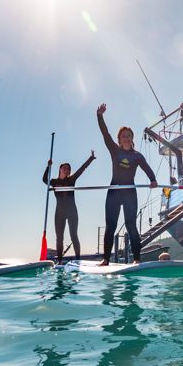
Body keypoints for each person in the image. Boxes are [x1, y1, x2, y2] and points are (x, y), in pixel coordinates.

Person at [96, 103, 157, 266]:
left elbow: (148, 169)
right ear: (119, 139)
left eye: (129, 135)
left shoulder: (137, 156)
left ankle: (137, 258)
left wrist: (153, 180)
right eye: (123, 136)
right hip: (114, 191)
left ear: (132, 138)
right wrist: (100, 116)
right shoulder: (115, 150)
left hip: (130, 192)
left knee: (131, 226)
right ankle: (106, 259)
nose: (126, 138)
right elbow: (105, 134)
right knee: (111, 226)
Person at [43, 150, 96, 263]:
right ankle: (60, 261)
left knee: (73, 235)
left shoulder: (71, 180)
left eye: (68, 169)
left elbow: (82, 169)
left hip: (72, 212)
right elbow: (44, 180)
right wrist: (48, 166)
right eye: (65, 168)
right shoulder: (54, 181)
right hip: (59, 213)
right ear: (60, 169)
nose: (67, 170)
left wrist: (90, 159)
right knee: (59, 238)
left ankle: (77, 260)